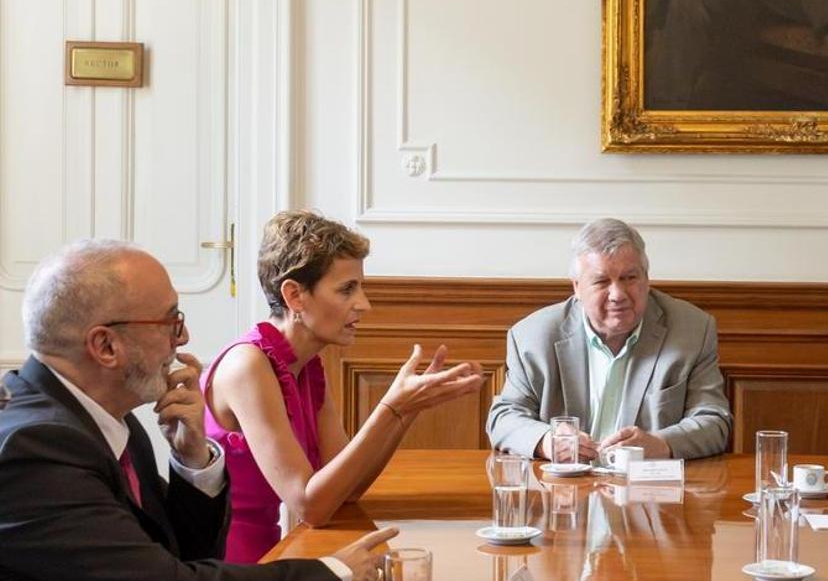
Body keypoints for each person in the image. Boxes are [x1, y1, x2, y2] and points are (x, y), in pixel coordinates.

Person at [0, 240, 395, 581]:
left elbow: (185, 559)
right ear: (106, 347)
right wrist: (333, 574)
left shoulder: (114, 421)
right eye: (171, 322)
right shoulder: (35, 450)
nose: (184, 337)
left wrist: (193, 462)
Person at [203, 210, 483, 562]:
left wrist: (409, 409)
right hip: (232, 570)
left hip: (277, 555)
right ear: (295, 296)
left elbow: (346, 491)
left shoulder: (306, 364)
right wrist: (391, 408)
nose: (364, 304)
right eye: (347, 289)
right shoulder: (248, 366)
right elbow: (311, 506)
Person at [487, 218, 732, 461]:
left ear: (647, 279)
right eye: (601, 281)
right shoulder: (533, 336)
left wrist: (660, 444)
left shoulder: (692, 330)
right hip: (564, 492)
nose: (618, 294)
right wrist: (547, 442)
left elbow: (714, 421)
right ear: (577, 287)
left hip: (648, 491)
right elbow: (504, 418)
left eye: (629, 278)